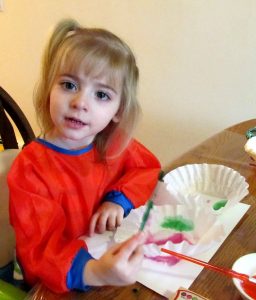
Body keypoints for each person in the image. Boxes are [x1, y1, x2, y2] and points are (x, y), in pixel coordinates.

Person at [8, 18, 161, 293]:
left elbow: (147, 169)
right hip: (56, 278)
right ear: (49, 89)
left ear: (118, 110)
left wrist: (118, 200)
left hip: (102, 256)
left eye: (101, 94)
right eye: (69, 85)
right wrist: (96, 272)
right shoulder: (31, 167)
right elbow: (41, 251)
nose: (80, 103)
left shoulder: (114, 145)